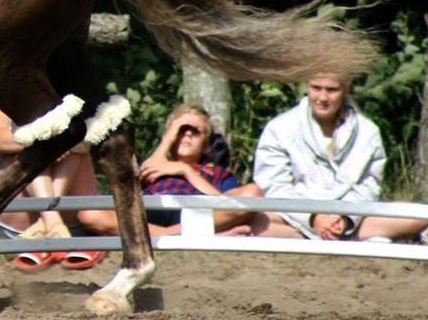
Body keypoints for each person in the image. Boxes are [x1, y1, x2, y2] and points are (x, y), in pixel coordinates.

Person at [252, 74, 428, 242]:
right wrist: (312, 217)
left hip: (351, 219)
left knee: (419, 214)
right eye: (316, 88)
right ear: (306, 84)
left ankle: (327, 236)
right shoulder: (279, 128)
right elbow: (273, 186)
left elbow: (369, 186)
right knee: (254, 217)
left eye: (331, 90)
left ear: (346, 87)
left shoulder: (368, 132)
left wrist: (345, 218)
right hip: (293, 217)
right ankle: (330, 237)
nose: (322, 97)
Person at [0, 98, 107, 271]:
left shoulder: (71, 87)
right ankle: (53, 223)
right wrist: (47, 143)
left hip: (73, 219)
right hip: (17, 219)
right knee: (33, 148)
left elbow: (91, 135)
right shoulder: (1, 88)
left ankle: (46, 225)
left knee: (76, 140)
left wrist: (60, 143)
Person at [138, 104, 262, 234]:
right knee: (115, 211)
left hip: (195, 215)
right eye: (181, 130)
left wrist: (186, 170)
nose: (188, 134)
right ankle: (172, 233)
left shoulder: (219, 174)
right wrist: (169, 137)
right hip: (152, 208)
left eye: (196, 131)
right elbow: (145, 172)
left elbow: (226, 206)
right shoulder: (158, 163)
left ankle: (173, 232)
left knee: (253, 192)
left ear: (207, 146)